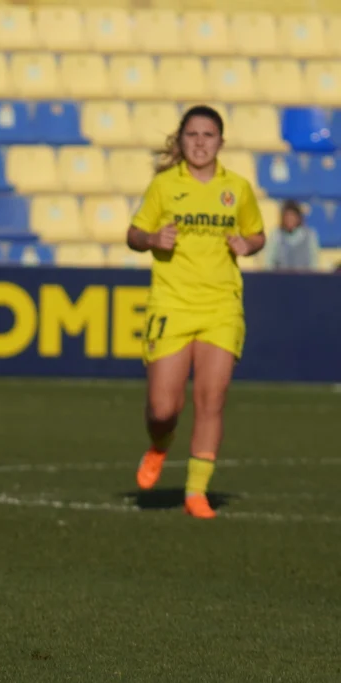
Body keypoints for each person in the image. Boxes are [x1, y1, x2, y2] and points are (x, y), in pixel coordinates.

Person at [128, 105, 265, 519]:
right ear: (181, 140)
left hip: (221, 305)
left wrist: (248, 245)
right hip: (172, 304)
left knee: (211, 399)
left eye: (209, 135)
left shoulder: (237, 188)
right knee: (163, 408)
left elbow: (256, 233)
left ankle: (195, 493)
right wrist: (152, 237)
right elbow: (133, 234)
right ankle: (159, 445)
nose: (201, 142)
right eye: (193, 135)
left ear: (221, 142)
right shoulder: (165, 186)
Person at [263, 199, 321, 272]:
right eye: (287, 216)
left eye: (292, 216)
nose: (290, 219)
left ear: (299, 218)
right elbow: (269, 263)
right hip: (280, 280)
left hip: (304, 280)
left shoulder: (310, 236)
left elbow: (314, 263)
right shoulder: (276, 235)